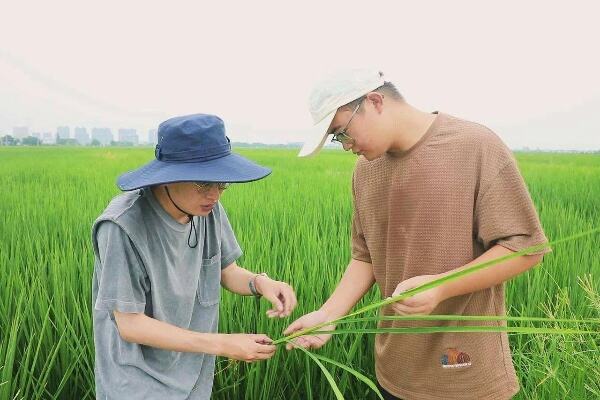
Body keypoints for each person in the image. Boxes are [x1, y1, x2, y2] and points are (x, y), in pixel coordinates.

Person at [284, 69, 548, 400]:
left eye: (341, 133)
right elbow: (365, 256)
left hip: (463, 374)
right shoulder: (366, 171)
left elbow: (525, 248)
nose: (346, 146)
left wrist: (442, 286)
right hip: (395, 369)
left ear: (375, 101)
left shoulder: (475, 146)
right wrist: (327, 316)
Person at [91, 114, 297, 400]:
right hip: (136, 383)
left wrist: (261, 283)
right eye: (203, 183)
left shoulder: (207, 210)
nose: (215, 194)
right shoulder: (122, 226)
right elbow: (130, 324)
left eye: (222, 184)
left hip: (193, 378)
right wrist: (224, 344)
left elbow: (226, 270)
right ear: (168, 177)